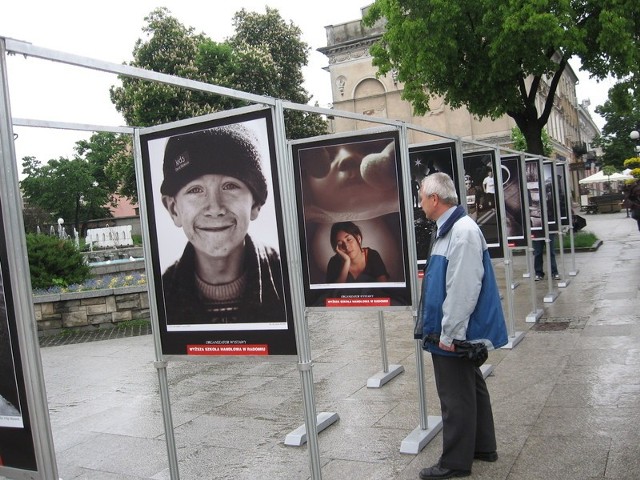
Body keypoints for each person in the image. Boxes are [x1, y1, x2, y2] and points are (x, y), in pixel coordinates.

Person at [417, 172, 508, 480]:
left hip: (456, 332)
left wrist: (450, 334)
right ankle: (483, 446)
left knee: (454, 397)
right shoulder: (453, 228)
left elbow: (463, 288)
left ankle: (454, 463)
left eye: (421, 198)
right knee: (471, 388)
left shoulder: (461, 231)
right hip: (457, 330)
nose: (419, 205)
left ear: (434, 199)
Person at [160, 124, 286, 324]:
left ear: (255, 203)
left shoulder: (287, 279)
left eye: (230, 186)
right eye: (195, 190)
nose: (215, 207)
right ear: (174, 209)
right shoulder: (163, 294)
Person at [325, 221, 390, 283]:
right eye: (340, 243)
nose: (346, 247)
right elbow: (333, 292)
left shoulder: (373, 255)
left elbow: (384, 288)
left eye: (349, 240)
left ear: (358, 239)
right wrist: (347, 261)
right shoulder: (334, 262)